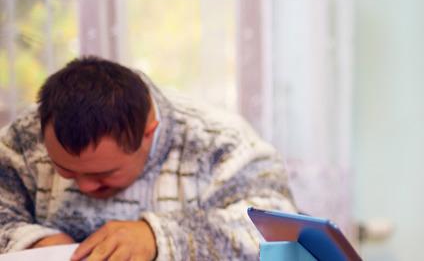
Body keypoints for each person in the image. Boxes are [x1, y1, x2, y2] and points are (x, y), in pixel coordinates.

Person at [0, 56, 298, 260]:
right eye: (65, 170)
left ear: (148, 132)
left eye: (104, 174)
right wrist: (36, 244)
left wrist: (159, 237)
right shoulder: (25, 137)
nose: (85, 186)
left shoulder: (218, 140)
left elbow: (282, 231)